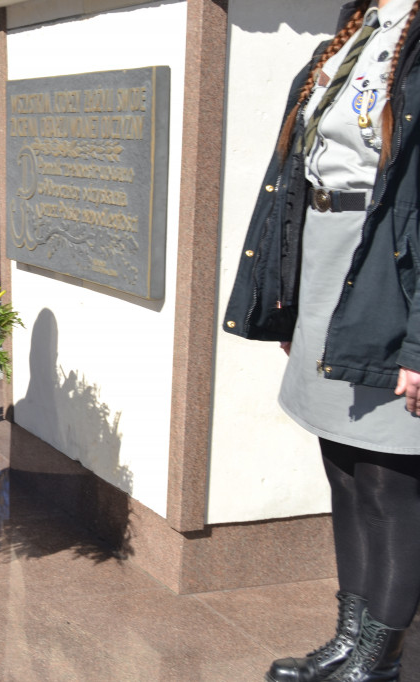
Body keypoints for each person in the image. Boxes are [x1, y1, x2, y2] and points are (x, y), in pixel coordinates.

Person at [225, 2, 420, 680]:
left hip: (390, 273)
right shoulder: (358, 21)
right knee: (342, 470)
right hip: (325, 262)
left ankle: (379, 660)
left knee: (389, 479)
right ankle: (348, 638)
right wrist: (285, 298)